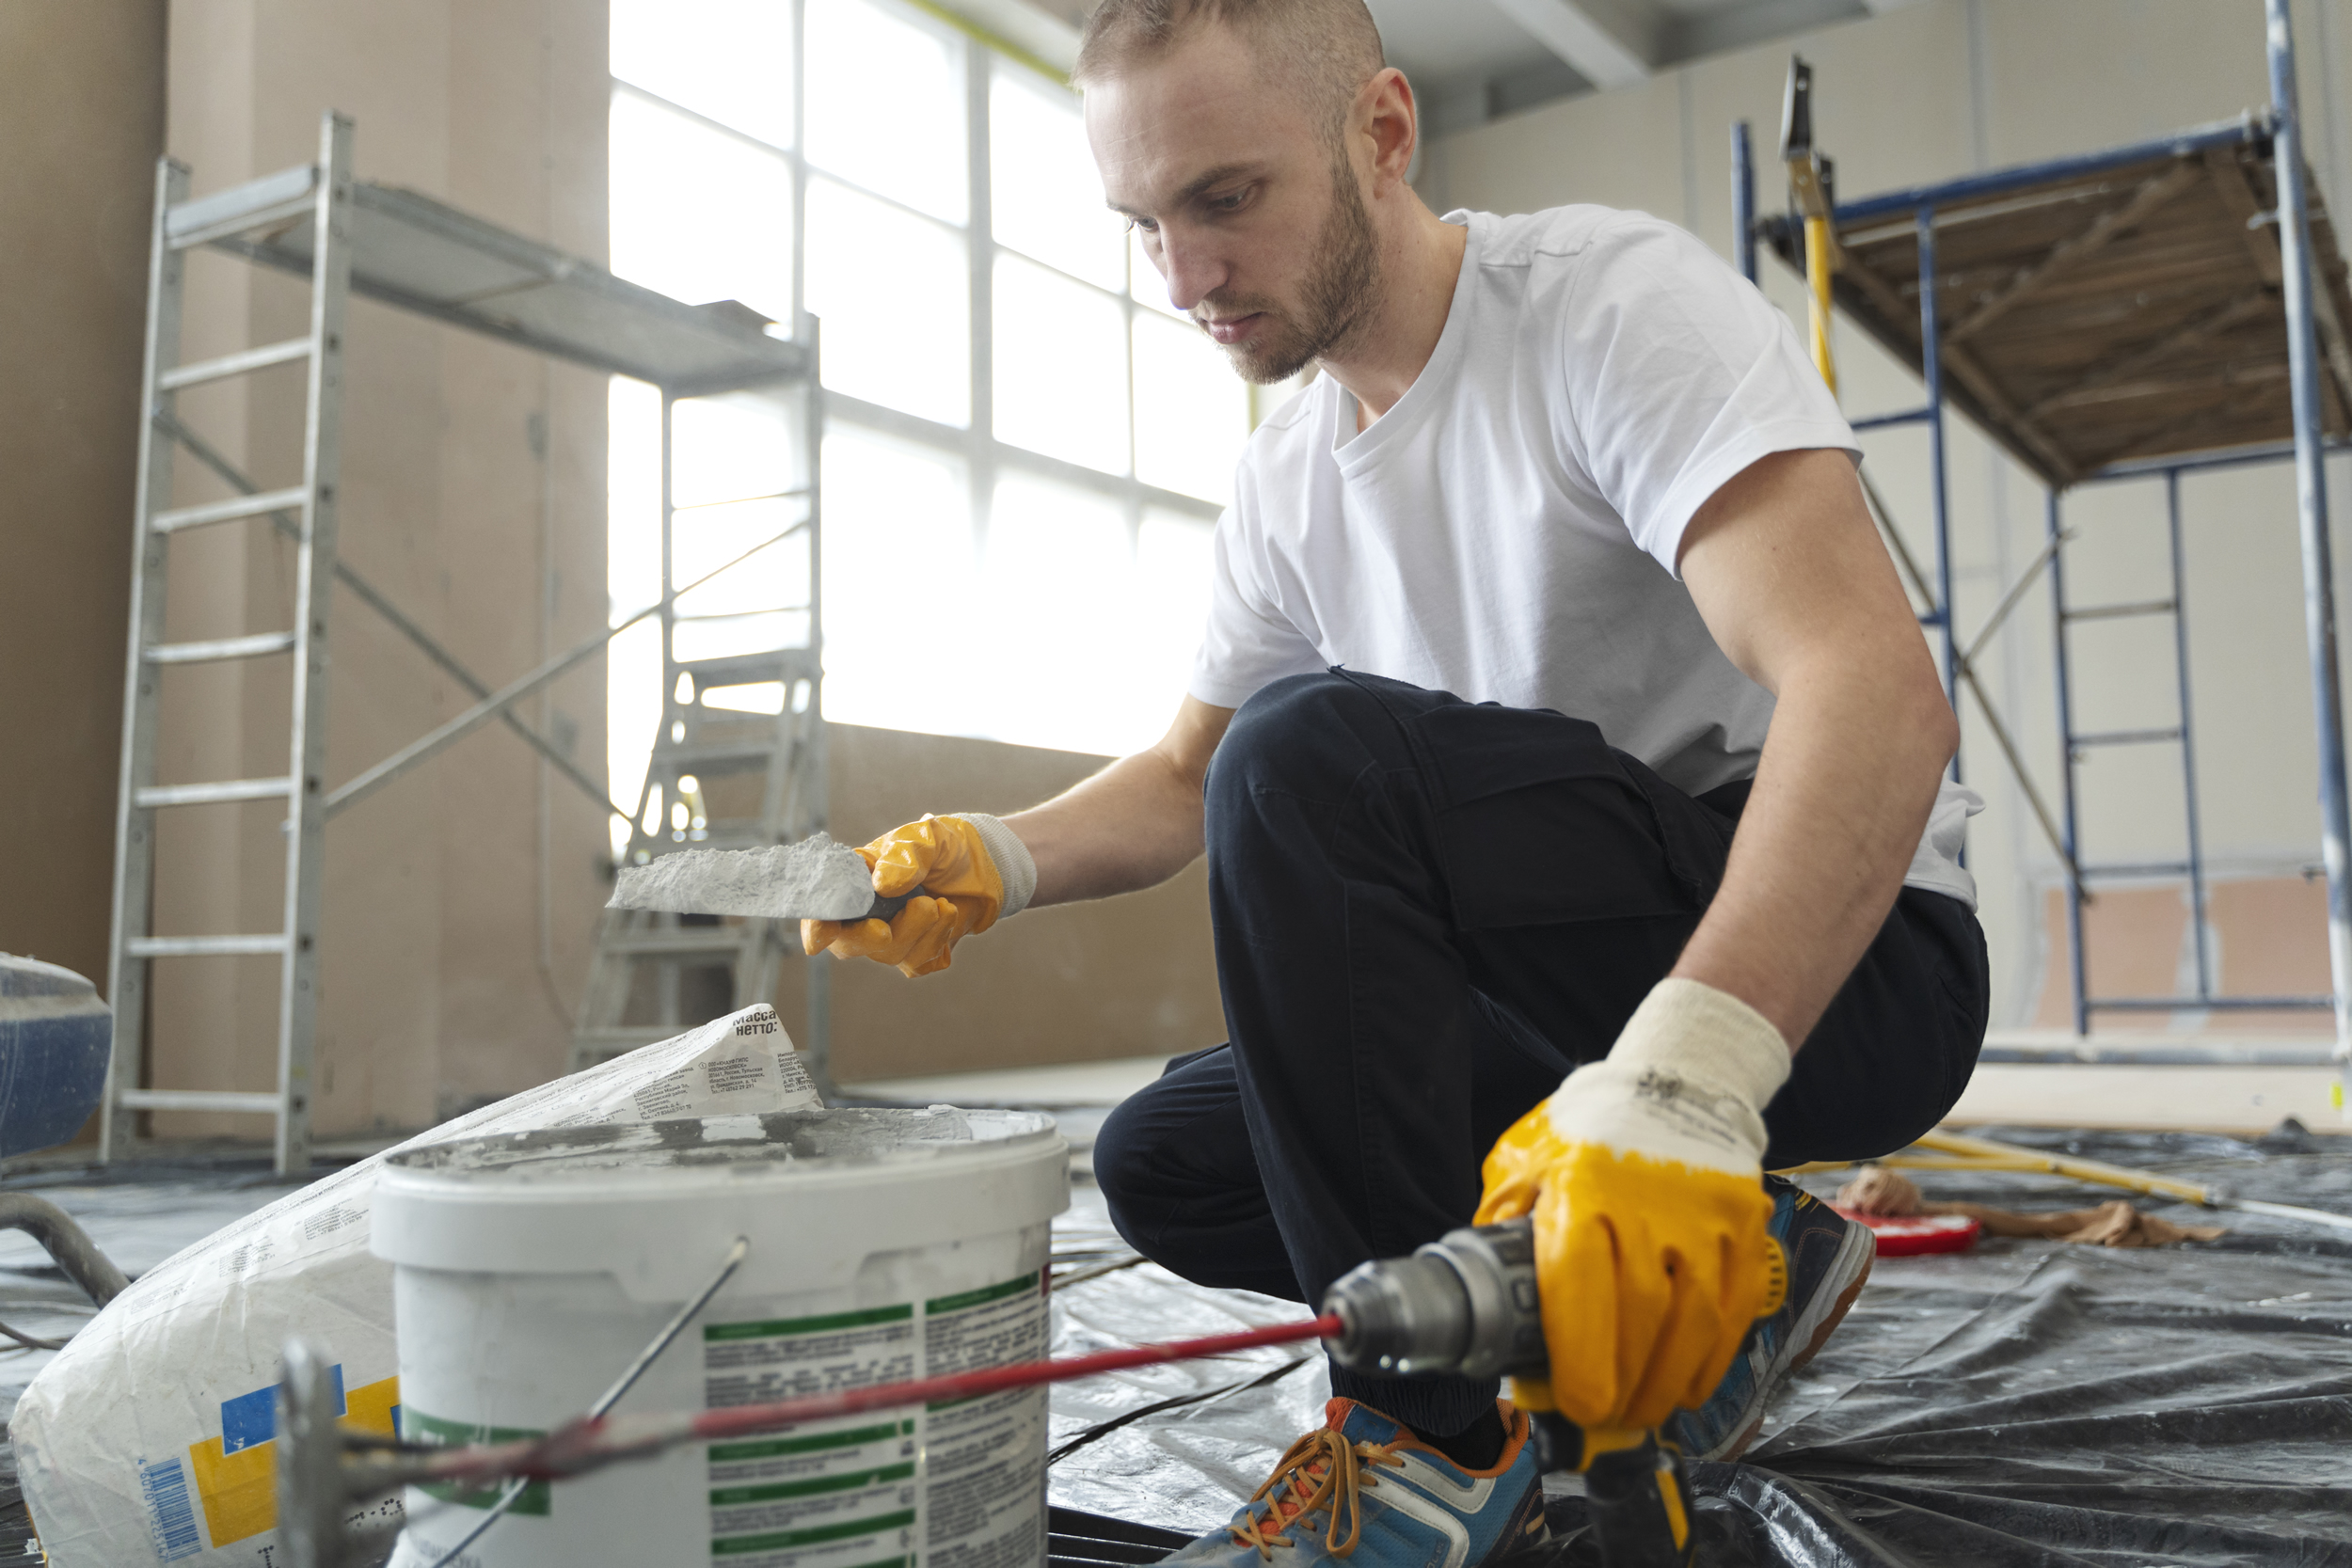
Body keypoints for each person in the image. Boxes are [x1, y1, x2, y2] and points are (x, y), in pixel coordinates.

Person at [801, 0, 1990, 1561]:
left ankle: (1422, 1439)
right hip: (1556, 985)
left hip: (1835, 971)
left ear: (1382, 133)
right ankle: (1722, 1277)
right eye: (1145, 224)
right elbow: (1182, 777)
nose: (1187, 277)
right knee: (1164, 1162)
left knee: (1315, 755)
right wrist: (993, 855)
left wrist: (1685, 1084)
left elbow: (1875, 691)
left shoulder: (1602, 307)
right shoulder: (1289, 477)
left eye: (1227, 199)